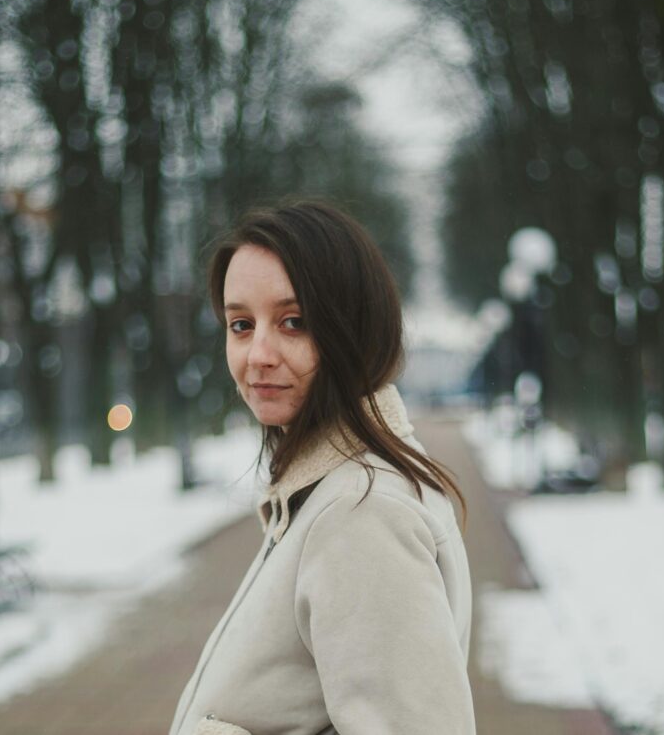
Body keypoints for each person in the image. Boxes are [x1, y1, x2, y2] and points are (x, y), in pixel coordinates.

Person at [168, 201, 476, 735]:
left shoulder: (361, 511)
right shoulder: (330, 491)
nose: (257, 353)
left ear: (353, 329)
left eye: (293, 322)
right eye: (240, 324)